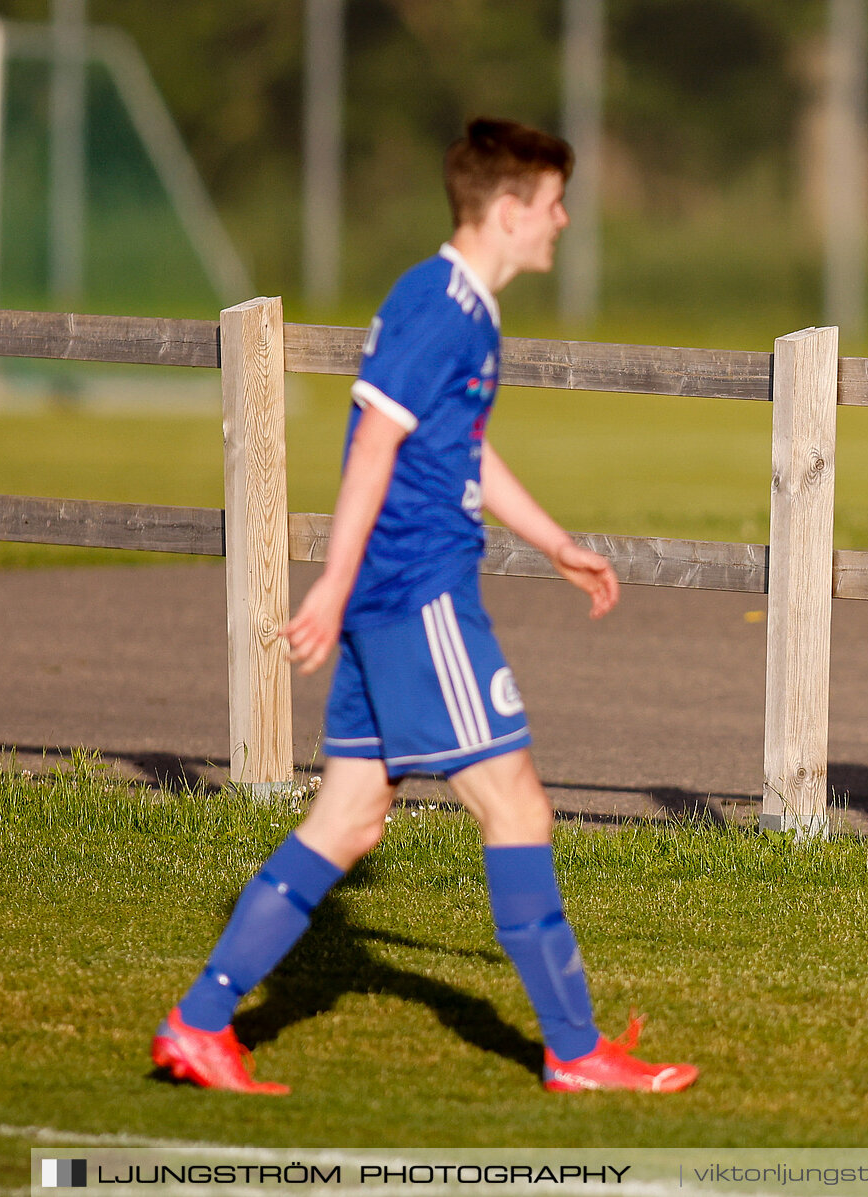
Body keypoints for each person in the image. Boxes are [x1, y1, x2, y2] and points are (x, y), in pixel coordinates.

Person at [150, 118, 697, 1096]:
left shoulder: (463, 305)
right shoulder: (444, 306)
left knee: (351, 821)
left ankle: (197, 1025)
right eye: (553, 202)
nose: (564, 221)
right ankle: (576, 1052)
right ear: (506, 210)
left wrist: (556, 542)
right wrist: (332, 583)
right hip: (417, 595)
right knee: (517, 804)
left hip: (392, 597)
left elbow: (459, 450)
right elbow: (372, 446)